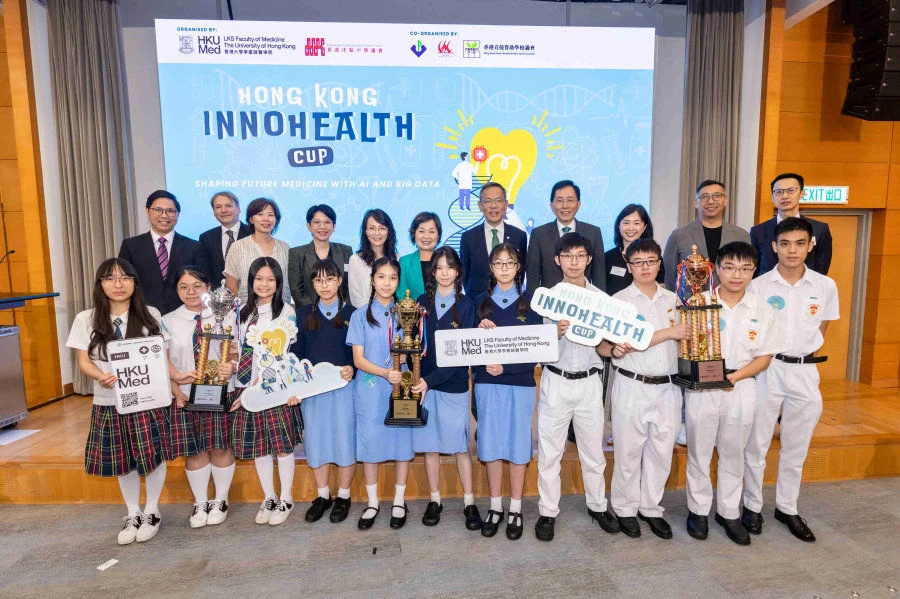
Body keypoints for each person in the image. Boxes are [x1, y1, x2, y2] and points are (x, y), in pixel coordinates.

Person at [66, 258, 182, 544]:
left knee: (152, 456)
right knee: (123, 459)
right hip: (109, 402)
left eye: (125, 278)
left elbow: (161, 358)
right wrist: (99, 376)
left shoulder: (150, 314)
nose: (118, 284)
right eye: (110, 278)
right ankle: (133, 513)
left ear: (135, 282)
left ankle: (152, 510)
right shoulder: (86, 318)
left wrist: (180, 377)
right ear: (100, 284)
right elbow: (83, 360)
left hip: (148, 400)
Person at [742, 217, 838, 542]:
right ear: (774, 247)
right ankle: (752, 505)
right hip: (768, 369)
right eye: (785, 244)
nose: (792, 250)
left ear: (810, 246)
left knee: (796, 446)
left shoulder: (825, 286)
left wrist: (802, 352)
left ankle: (787, 507)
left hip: (806, 371)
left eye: (799, 243)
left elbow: (822, 328)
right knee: (756, 443)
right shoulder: (758, 286)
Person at [683, 242, 783, 546]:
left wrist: (735, 377)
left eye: (745, 268)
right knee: (699, 451)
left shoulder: (763, 310)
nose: (736, 275)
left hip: (742, 387)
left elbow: (764, 357)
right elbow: (686, 348)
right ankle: (697, 510)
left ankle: (728, 512)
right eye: (729, 267)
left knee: (733, 452)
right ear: (716, 268)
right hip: (703, 389)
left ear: (754, 271)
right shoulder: (698, 302)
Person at [534, 233, 619, 542]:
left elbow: (606, 348)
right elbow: (539, 348)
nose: (574, 261)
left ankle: (597, 506)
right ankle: (547, 512)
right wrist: (553, 333)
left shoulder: (601, 300)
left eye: (579, 256)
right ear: (558, 260)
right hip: (555, 380)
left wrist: (612, 346)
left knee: (593, 451)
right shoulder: (548, 298)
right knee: (550, 452)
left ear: (589, 259)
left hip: (588, 383)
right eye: (567, 256)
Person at [601, 239, 688, 540]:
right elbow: (609, 345)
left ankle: (651, 507)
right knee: (628, 452)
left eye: (650, 261)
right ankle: (625, 508)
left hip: (668, 386)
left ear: (659, 263)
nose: (645, 267)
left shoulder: (675, 300)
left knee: (661, 452)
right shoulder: (619, 302)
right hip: (631, 384)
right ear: (628, 266)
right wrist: (614, 350)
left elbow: (685, 340)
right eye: (638, 262)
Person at [473, 243, 542, 541]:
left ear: (518, 268)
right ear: (491, 267)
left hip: (520, 384)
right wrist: (478, 333)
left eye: (510, 263)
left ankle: (515, 507)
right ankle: (495, 506)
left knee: (516, 446)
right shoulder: (478, 304)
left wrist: (507, 368)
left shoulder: (532, 304)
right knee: (491, 446)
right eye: (498, 263)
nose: (504, 268)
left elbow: (537, 350)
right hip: (488, 385)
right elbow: (467, 351)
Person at [411, 247, 483, 530]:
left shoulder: (467, 306)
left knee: (459, 447)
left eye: (449, 267)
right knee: (430, 447)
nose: (443, 272)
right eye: (438, 267)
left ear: (457, 272)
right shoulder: (419, 302)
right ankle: (434, 499)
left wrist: (428, 381)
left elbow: (462, 357)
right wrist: (417, 378)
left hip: (453, 386)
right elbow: (413, 345)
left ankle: (469, 501)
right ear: (433, 272)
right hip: (424, 386)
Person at [162, 267, 237, 528]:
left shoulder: (226, 314)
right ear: (176, 290)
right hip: (185, 395)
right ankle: (201, 501)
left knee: (221, 447)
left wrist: (233, 366)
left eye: (197, 285)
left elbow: (237, 351)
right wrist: (176, 389)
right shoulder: (169, 320)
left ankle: (221, 500)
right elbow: (163, 360)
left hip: (220, 392)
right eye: (184, 287)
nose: (191, 292)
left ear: (208, 287)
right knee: (194, 451)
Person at [228, 258, 299, 526]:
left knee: (282, 445)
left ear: (278, 283)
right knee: (259, 446)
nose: (264, 284)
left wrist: (269, 381)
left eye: (270, 279)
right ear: (251, 281)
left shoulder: (286, 312)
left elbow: (286, 353)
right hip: (247, 386)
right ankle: (268, 496)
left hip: (275, 386)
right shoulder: (241, 312)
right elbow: (239, 350)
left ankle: (286, 497)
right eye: (259, 278)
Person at [346, 257, 415, 530]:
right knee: (370, 446)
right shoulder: (359, 315)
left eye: (393, 277)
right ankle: (373, 502)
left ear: (399, 282)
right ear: (372, 280)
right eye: (382, 277)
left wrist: (409, 380)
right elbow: (358, 360)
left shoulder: (407, 313)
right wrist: (385, 373)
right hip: (370, 389)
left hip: (401, 389)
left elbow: (413, 353)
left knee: (402, 446)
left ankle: (399, 500)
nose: (387, 283)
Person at [290, 259, 357, 525]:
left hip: (344, 389)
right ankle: (322, 495)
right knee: (316, 442)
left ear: (340, 280)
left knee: (345, 440)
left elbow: (359, 352)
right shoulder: (304, 314)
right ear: (313, 284)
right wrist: (294, 385)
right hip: (313, 391)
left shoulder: (354, 313)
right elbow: (296, 354)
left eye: (329, 279)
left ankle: (343, 495)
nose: (324, 285)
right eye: (318, 280)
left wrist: (352, 366)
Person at [119, 190, 209, 314]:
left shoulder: (193, 246)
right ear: (147, 211)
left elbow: (203, 283)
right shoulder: (130, 245)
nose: (164, 215)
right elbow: (123, 281)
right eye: (158, 210)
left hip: (183, 315)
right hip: (142, 314)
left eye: (170, 211)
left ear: (178, 214)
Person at [662, 179, 751, 291]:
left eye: (716, 196)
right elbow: (669, 276)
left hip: (729, 303)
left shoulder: (741, 236)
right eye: (704, 197)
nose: (711, 201)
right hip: (691, 304)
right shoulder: (679, 235)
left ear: (725, 200)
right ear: (696, 202)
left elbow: (747, 273)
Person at [526, 180, 606, 293]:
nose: (565, 206)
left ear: (578, 204)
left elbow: (599, 276)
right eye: (559, 201)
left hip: (586, 303)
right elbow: (532, 277)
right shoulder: (539, 234)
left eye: (570, 200)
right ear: (551, 205)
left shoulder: (593, 233)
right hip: (550, 304)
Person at [750, 173, 833, 276]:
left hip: (806, 289)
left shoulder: (820, 229)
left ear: (802, 193)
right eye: (779, 192)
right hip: (767, 289)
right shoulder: (758, 231)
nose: (785, 196)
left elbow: (821, 269)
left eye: (791, 190)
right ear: (772, 197)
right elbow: (753, 269)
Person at [459, 182, 527, 298]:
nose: (493, 206)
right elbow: (465, 274)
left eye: (498, 200)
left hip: (510, 301)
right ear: (480, 205)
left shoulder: (519, 236)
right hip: (477, 303)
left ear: (506, 205)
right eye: (488, 201)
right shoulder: (468, 237)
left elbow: (521, 271)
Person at [223, 198, 291, 305]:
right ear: (251, 219)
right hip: (247, 313)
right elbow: (231, 285)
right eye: (260, 214)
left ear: (276, 219)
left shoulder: (285, 248)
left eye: (270, 215)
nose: (266, 219)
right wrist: (241, 310)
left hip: (280, 313)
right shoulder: (237, 247)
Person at [288, 204, 353, 307]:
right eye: (317, 222)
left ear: (334, 226)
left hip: (342, 315)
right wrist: (317, 313)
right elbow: (296, 291)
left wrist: (343, 310)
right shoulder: (296, 254)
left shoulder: (345, 251)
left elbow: (351, 286)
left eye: (327, 222)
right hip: (309, 315)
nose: (322, 226)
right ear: (309, 226)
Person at [604, 204, 664, 295]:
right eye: (626, 223)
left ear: (644, 227)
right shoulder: (607, 257)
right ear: (619, 226)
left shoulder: (654, 258)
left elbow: (660, 290)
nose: (631, 228)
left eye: (636, 223)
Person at [347, 209, 399, 308]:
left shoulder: (397, 259)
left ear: (389, 231)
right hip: (365, 318)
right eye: (372, 228)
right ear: (365, 231)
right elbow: (356, 298)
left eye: (382, 228)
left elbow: (398, 293)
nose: (377, 233)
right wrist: (373, 316)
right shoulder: (356, 260)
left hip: (392, 317)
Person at [398, 212, 441, 302]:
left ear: (438, 235)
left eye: (431, 231)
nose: (426, 236)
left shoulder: (445, 261)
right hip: (412, 314)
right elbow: (401, 293)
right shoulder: (404, 262)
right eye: (421, 231)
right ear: (414, 234)